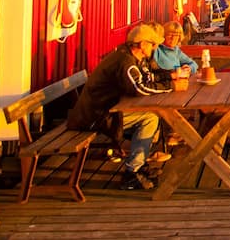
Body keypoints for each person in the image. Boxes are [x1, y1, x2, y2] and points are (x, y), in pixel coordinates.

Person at [67, 23, 173, 190]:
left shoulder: (127, 55)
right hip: (95, 117)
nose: (155, 47)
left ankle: (139, 165)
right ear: (143, 44)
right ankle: (132, 172)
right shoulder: (125, 62)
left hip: (98, 111)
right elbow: (139, 87)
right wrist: (171, 87)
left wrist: (170, 76)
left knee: (150, 115)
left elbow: (145, 76)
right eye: (153, 44)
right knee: (149, 118)